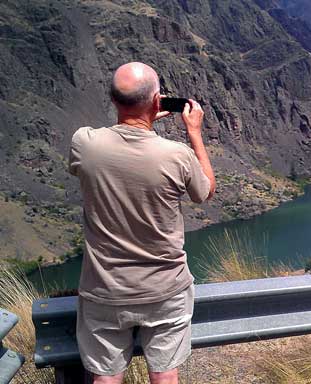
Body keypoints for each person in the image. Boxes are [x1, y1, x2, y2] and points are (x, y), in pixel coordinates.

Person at [69, 62, 216, 384]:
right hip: (165, 289)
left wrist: (139, 118)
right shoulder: (177, 154)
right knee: (165, 376)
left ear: (113, 100)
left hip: (105, 289)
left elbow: (108, 148)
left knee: (105, 379)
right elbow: (205, 191)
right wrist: (194, 132)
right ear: (157, 100)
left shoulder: (84, 142)